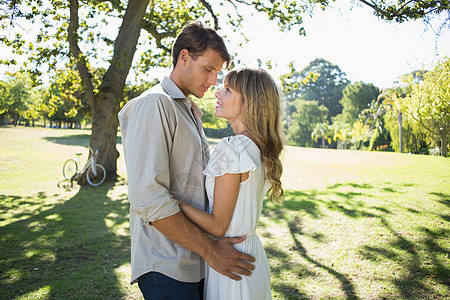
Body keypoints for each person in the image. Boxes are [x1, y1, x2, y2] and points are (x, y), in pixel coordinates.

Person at [118, 21, 255, 300]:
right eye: (208, 68)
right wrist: (211, 250)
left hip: (196, 262)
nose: (213, 80)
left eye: (217, 72)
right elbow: (148, 197)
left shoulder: (188, 111)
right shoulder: (155, 104)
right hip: (167, 265)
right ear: (184, 57)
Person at [179, 67, 285, 299]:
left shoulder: (234, 147)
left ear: (248, 103)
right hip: (251, 255)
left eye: (227, 90)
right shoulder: (259, 148)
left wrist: (175, 203)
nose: (217, 93)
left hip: (232, 261)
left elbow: (218, 226)